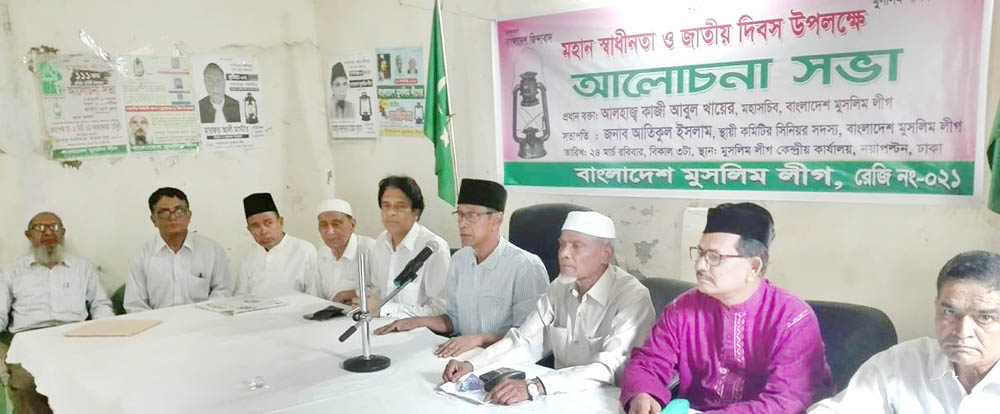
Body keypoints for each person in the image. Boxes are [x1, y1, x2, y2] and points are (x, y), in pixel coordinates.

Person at [621, 202, 834, 414]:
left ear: (753, 267)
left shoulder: (792, 318)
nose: (700, 265)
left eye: (714, 257)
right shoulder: (682, 309)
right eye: (700, 253)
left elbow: (787, 402)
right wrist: (643, 392)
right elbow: (649, 362)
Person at [442, 211, 655, 405]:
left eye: (577, 246)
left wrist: (536, 386)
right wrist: (473, 365)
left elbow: (607, 369)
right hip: (556, 397)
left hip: (604, 402)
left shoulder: (632, 298)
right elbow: (524, 341)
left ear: (605, 254)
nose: (564, 253)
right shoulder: (559, 287)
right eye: (562, 244)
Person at [374, 179, 548, 358]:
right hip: (464, 356)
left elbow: (529, 337)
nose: (462, 223)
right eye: (460, 215)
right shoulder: (460, 260)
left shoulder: (525, 266)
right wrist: (417, 322)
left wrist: (479, 340)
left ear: (497, 220)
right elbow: (454, 320)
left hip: (505, 361)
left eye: (471, 216)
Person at [808, 250, 1000, 413]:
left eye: (985, 317)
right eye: (949, 312)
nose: (962, 332)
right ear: (936, 306)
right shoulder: (902, 362)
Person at [0, 212, 114, 414]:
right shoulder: (13, 272)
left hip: (75, 339)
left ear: (63, 232)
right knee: (27, 386)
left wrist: (104, 335)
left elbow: (100, 304)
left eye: (54, 227)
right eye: (40, 228)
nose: (48, 233)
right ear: (28, 235)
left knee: (90, 382)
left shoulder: (82, 268)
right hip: (29, 342)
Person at [125, 187, 230, 312]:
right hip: (158, 322)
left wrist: (202, 317)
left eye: (179, 211)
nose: (173, 217)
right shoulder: (140, 256)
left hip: (205, 319)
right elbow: (135, 305)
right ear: (154, 220)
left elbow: (223, 291)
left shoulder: (212, 250)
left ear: (189, 216)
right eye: (164, 212)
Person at [363, 176, 450, 318]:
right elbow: (377, 290)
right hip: (379, 325)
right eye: (386, 206)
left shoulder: (433, 248)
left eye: (400, 206)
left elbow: (442, 310)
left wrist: (384, 310)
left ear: (416, 213)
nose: (391, 212)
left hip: (419, 330)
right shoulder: (380, 242)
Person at [236, 193, 318, 297]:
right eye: (255, 226)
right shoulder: (248, 257)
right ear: (249, 230)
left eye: (268, 223)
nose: (263, 231)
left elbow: (315, 295)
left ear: (280, 222)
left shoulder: (304, 250)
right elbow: (241, 297)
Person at [314, 198, 374, 303]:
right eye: (324, 225)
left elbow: (384, 290)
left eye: (336, 224)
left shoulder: (370, 248)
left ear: (352, 225)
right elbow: (317, 295)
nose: (330, 231)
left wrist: (351, 294)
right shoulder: (322, 254)